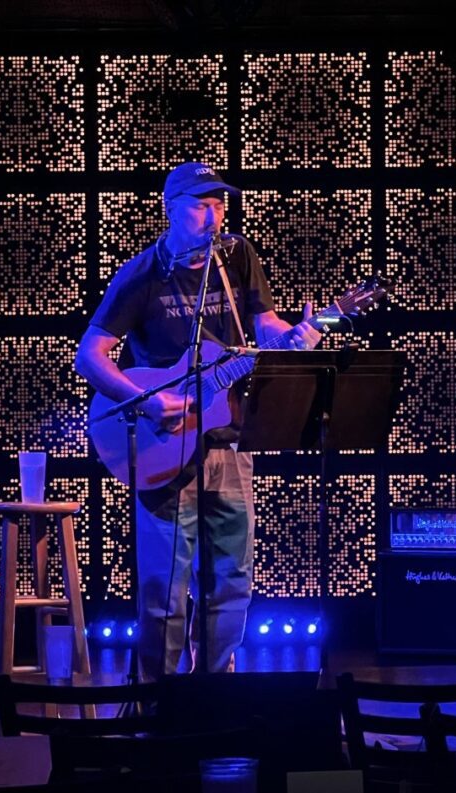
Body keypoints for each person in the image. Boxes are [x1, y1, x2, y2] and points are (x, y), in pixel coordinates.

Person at [75, 161, 321, 682]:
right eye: (200, 206)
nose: (213, 217)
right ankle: (160, 700)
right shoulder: (144, 273)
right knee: (164, 588)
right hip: (162, 447)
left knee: (232, 580)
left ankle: (215, 692)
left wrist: (297, 334)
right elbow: (90, 356)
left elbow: (266, 326)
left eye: (219, 206)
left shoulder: (238, 258)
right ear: (170, 209)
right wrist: (143, 401)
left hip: (230, 443)